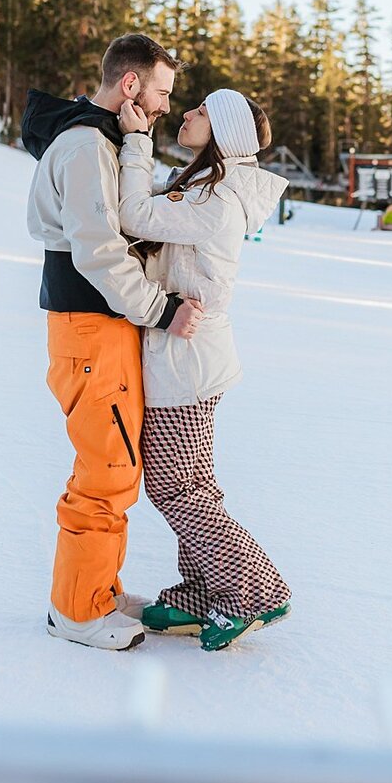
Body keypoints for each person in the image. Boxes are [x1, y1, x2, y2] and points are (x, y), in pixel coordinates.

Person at [22, 34, 203, 652]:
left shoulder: (102, 141)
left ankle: (96, 588)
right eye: (162, 91)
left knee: (117, 463)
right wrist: (162, 309)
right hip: (89, 324)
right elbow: (98, 250)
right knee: (105, 468)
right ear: (131, 84)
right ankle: (78, 610)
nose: (165, 105)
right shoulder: (83, 147)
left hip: (104, 324)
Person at [116, 87, 291, 651]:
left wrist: (137, 142)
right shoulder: (202, 187)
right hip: (186, 357)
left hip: (187, 363)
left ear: (224, 133)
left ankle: (254, 594)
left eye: (201, 111)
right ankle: (200, 592)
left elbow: (134, 214)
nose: (187, 114)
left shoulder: (215, 199)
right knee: (192, 486)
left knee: (176, 488)